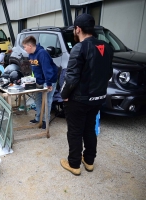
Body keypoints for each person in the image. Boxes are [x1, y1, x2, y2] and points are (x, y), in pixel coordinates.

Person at [60, 14, 113, 176]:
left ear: (78, 29)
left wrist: (64, 95)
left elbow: (71, 78)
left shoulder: (79, 47)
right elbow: (108, 74)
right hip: (97, 98)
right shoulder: (107, 46)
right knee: (90, 128)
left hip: (79, 100)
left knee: (75, 131)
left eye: (75, 29)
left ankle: (74, 163)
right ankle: (89, 161)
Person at [22, 36, 58, 129]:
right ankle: (38, 117)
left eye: (25, 47)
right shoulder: (31, 54)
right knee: (38, 99)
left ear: (30, 46)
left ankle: (46, 120)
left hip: (49, 79)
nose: (24, 49)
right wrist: (31, 80)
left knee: (47, 100)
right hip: (39, 80)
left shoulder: (42, 54)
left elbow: (47, 70)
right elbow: (35, 69)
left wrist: (49, 84)